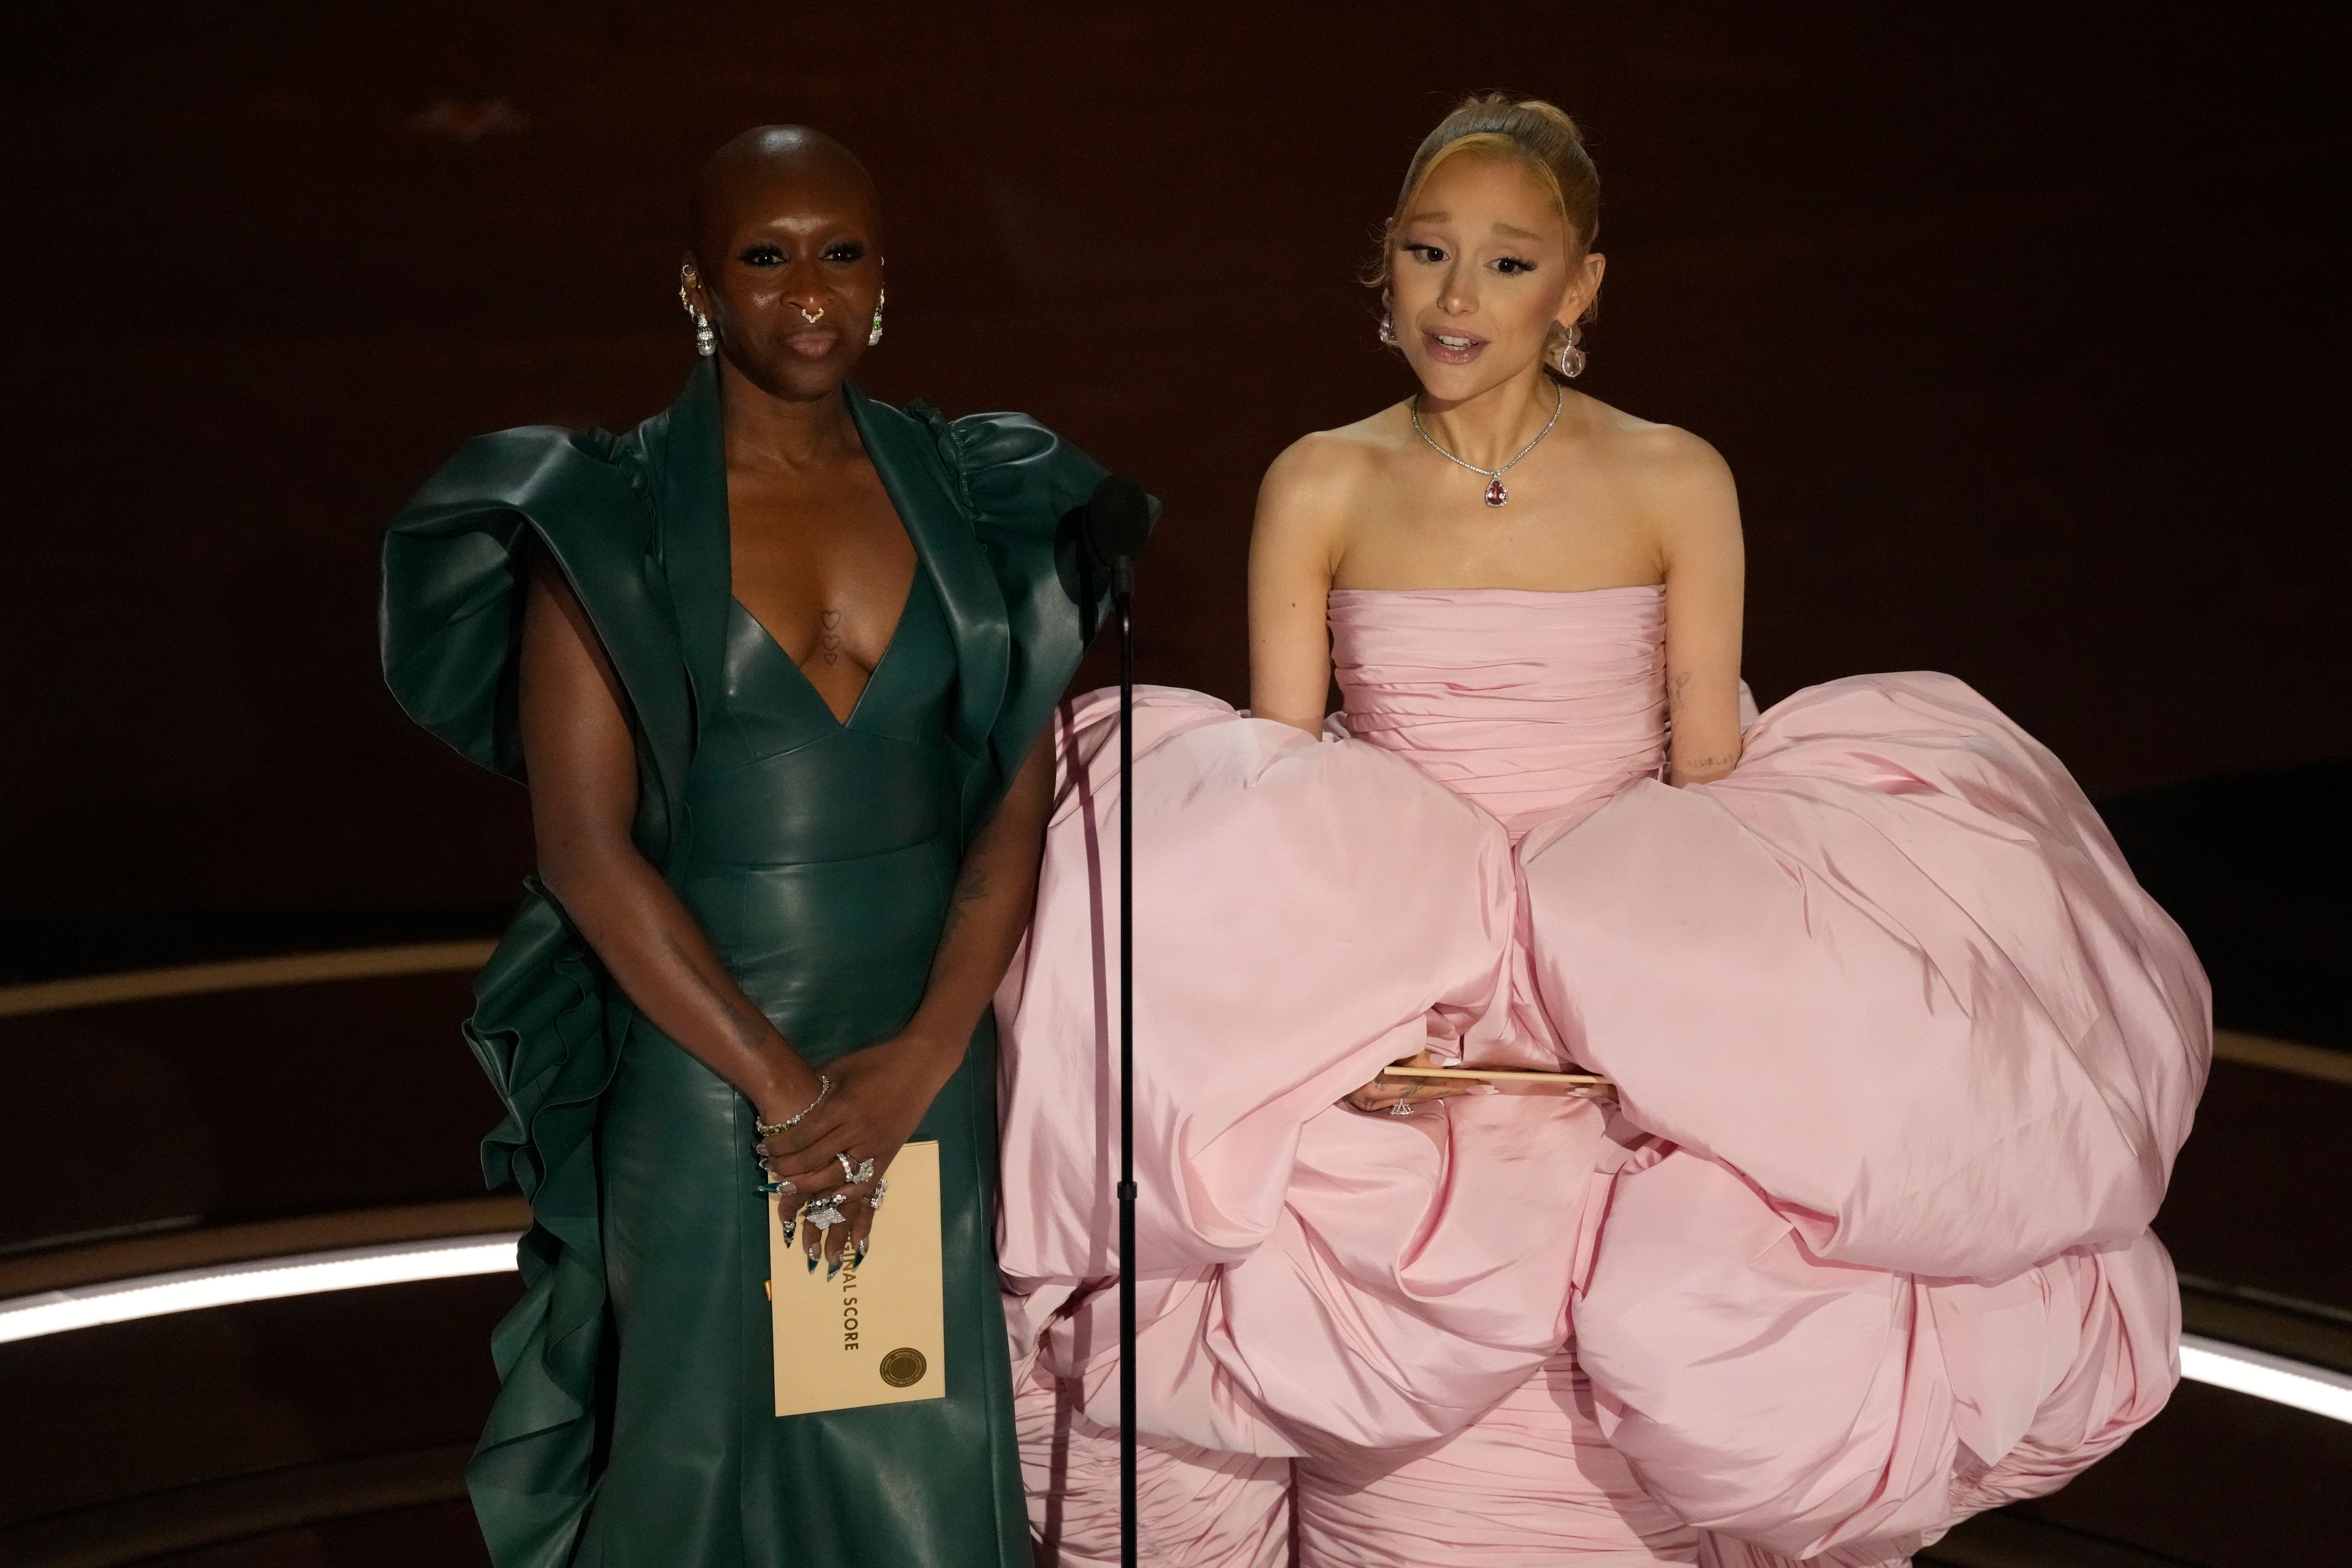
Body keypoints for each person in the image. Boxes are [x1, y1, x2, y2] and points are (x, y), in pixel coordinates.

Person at [997, 95, 2207, 1566]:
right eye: (1429, 252)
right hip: (1404, 957)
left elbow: (1710, 778)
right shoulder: (1323, 478)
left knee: (1698, 1297)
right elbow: (1287, 780)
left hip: (1626, 946)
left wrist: (1677, 1025)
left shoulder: (1671, 476)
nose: (1459, 296)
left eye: (1510, 264)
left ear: (1581, 287)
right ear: (1381, 268)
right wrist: (1338, 1026)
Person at [380, 125, 1134, 1568]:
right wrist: (789, 1096)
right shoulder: (604, 524)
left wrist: (919, 1058)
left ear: (884, 279)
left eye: (841, 253)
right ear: (697, 287)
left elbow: (1011, 809)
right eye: (766, 256)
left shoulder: (977, 498)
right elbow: (588, 854)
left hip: (917, 1048)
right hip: (703, 1055)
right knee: (698, 1446)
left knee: (907, 1447)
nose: (808, 292)